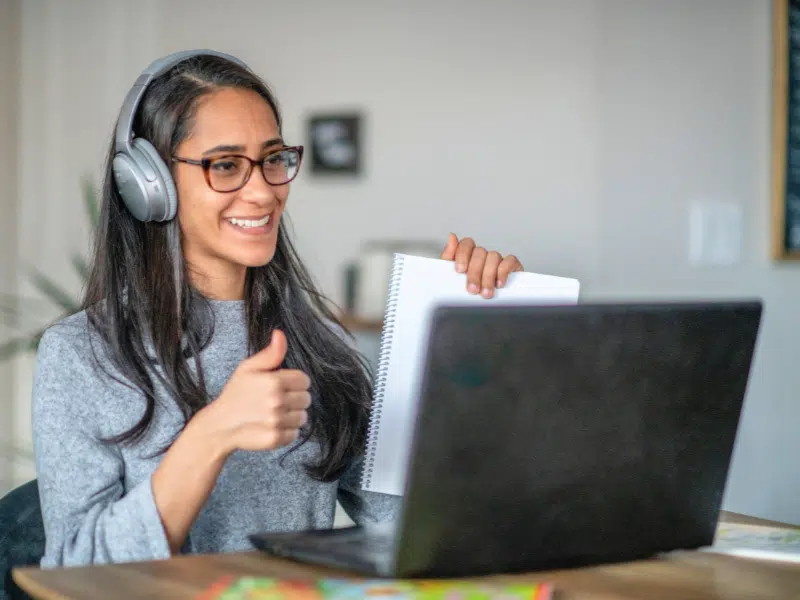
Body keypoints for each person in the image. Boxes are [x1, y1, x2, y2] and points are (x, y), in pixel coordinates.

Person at [31, 50, 524, 568]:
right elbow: (73, 572)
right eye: (225, 165)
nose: (264, 192)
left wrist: (476, 343)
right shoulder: (82, 353)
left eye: (272, 159)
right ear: (147, 186)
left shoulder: (320, 346)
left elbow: (413, 532)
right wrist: (212, 434)